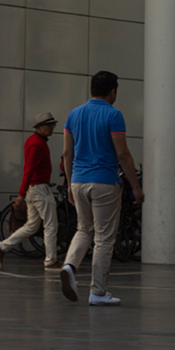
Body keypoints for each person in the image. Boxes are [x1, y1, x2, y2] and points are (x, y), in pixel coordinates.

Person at [59, 71, 143, 306]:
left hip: (78, 181)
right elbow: (122, 154)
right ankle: (97, 292)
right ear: (112, 92)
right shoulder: (113, 115)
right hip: (104, 182)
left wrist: (70, 184)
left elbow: (66, 153)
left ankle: (69, 265)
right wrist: (136, 187)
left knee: (84, 229)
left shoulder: (74, 114)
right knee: (104, 238)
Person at [0, 111, 62, 271]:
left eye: (53, 124)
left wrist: (24, 193)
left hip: (34, 189)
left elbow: (28, 169)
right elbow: (29, 169)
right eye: (49, 125)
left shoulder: (32, 141)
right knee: (51, 225)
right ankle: (50, 261)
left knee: (32, 226)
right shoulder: (38, 144)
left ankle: (2, 247)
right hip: (40, 189)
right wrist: (21, 194)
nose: (52, 128)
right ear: (40, 127)